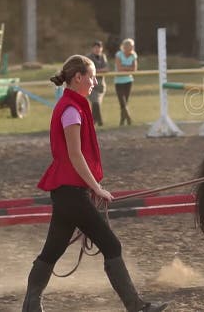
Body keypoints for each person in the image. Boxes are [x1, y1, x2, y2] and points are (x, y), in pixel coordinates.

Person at [22, 55, 166, 312]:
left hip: (68, 192)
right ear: (78, 77)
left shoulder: (72, 106)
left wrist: (91, 187)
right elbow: (75, 155)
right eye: (91, 76)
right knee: (111, 245)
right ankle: (136, 307)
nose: (95, 82)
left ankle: (30, 306)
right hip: (71, 192)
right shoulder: (70, 111)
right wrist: (97, 188)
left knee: (52, 251)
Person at [114, 39, 137, 126]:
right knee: (122, 102)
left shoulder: (133, 55)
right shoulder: (119, 54)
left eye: (132, 46)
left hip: (128, 81)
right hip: (119, 81)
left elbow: (134, 69)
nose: (131, 47)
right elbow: (119, 69)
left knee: (125, 103)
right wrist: (128, 68)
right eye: (129, 46)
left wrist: (125, 68)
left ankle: (122, 121)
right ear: (125, 46)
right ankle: (129, 119)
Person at [86, 40, 108, 126]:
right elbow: (88, 70)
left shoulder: (103, 57)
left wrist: (96, 70)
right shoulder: (88, 57)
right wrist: (98, 71)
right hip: (91, 84)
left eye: (99, 47)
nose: (97, 49)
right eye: (95, 47)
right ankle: (100, 121)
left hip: (101, 85)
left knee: (97, 103)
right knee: (95, 102)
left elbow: (106, 69)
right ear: (92, 48)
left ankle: (93, 121)